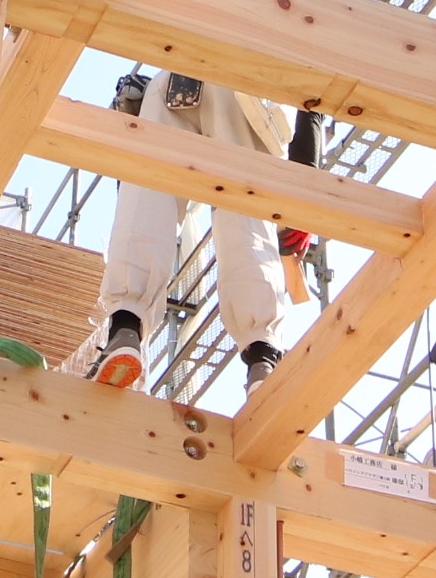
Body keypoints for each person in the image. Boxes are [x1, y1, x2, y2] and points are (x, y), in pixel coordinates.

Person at [86, 67, 299, 389]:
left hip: (171, 82)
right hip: (241, 87)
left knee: (146, 195)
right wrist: (304, 184)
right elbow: (312, 99)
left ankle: (125, 330)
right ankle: (262, 360)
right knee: (245, 218)